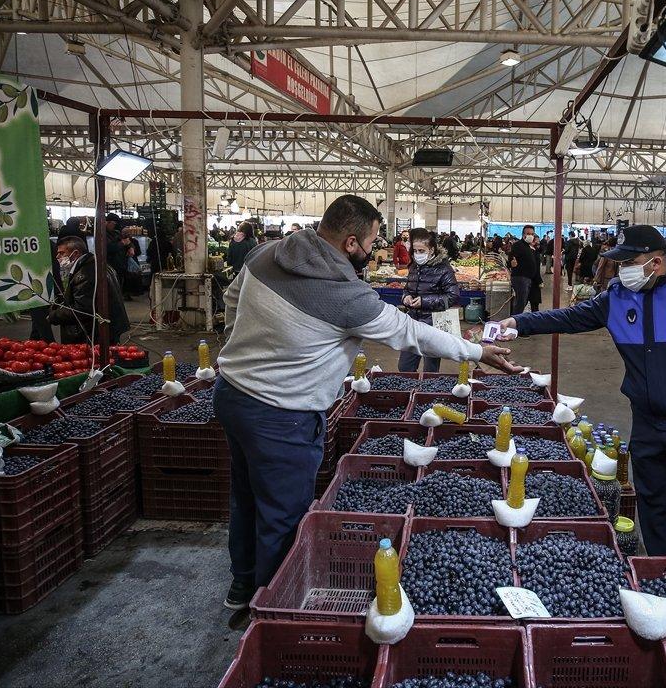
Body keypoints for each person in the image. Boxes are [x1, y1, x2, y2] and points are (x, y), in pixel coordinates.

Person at [214, 195, 519, 608]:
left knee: (246, 493)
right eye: (373, 242)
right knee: (282, 516)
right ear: (352, 243)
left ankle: (241, 586)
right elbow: (410, 333)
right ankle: (270, 605)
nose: (375, 249)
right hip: (283, 412)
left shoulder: (267, 253)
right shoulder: (344, 294)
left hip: (232, 394)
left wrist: (243, 350)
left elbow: (232, 298)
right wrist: (477, 352)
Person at [496, 224, 666, 557]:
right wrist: (519, 323)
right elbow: (571, 318)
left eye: (630, 263)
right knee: (653, 507)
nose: (623, 270)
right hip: (648, 422)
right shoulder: (617, 296)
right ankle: (661, 575)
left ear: (655, 263)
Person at [397, 228, 461, 373]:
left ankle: (425, 394)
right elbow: (408, 288)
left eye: (421, 251)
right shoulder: (414, 266)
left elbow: (453, 296)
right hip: (412, 323)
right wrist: (405, 297)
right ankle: (408, 393)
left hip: (433, 325)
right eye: (415, 251)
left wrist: (424, 301)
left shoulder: (444, 269)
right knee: (405, 367)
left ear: (431, 250)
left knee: (430, 370)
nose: (418, 254)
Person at [48, 236, 130, 345]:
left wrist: (54, 315)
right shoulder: (98, 264)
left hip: (94, 333)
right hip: (109, 328)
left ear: (76, 253)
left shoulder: (84, 274)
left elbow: (81, 310)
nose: (58, 257)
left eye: (62, 253)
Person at [508, 224, 543, 314]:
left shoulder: (529, 247)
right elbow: (511, 259)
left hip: (527, 279)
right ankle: (514, 322)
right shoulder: (518, 245)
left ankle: (517, 320)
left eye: (532, 234)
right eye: (528, 233)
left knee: (523, 302)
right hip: (520, 278)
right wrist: (512, 262)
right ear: (523, 234)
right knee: (520, 303)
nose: (530, 236)